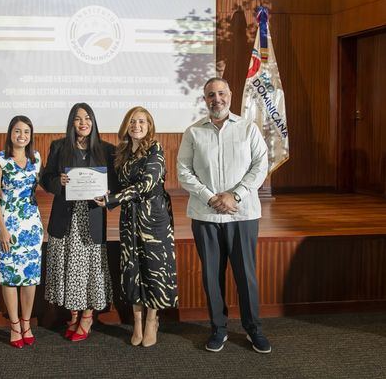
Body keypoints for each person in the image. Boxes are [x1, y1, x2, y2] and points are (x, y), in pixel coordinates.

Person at [177, 77, 270, 353]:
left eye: (220, 93)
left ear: (230, 95)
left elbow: (260, 165)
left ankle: (253, 329)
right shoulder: (193, 132)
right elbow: (183, 171)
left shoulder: (248, 128)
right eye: (210, 95)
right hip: (206, 216)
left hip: (242, 215)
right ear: (204, 99)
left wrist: (235, 195)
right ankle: (219, 329)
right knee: (211, 277)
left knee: (246, 276)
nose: (216, 98)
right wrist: (211, 198)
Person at [94, 106, 178, 347]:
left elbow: (147, 184)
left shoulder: (155, 149)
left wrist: (112, 199)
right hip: (130, 218)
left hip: (154, 218)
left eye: (142, 122)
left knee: (153, 268)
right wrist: (104, 192)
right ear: (126, 126)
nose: (137, 126)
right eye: (132, 122)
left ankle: (152, 320)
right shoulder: (121, 151)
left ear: (149, 126)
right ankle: (137, 322)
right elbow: (116, 184)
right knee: (132, 268)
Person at [41, 102, 117, 342]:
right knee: (67, 267)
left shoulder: (107, 149)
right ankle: (73, 314)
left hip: (91, 219)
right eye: (77, 118)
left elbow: (114, 187)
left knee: (90, 269)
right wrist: (58, 182)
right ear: (71, 122)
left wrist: (108, 198)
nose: (83, 122)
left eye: (87, 118)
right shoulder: (58, 147)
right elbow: (46, 178)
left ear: (93, 122)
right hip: (66, 217)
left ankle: (87, 316)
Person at [0, 115, 43, 348]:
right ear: (10, 133)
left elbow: (36, 188)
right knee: (9, 277)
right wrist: (2, 229)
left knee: (30, 277)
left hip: (31, 225)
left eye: (26, 132)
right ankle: (13, 325)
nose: (22, 136)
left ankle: (26, 323)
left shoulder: (36, 158)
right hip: (6, 225)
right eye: (18, 131)